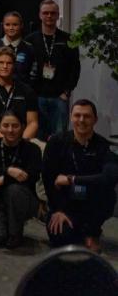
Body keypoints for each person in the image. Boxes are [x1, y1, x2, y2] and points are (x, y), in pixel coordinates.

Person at [42, 99, 118, 253]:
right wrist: (58, 210)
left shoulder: (104, 146)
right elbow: (48, 180)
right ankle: (80, 230)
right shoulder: (56, 142)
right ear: (70, 117)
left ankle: (92, 232)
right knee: (61, 239)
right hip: (63, 203)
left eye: (87, 116)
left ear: (95, 120)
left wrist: (72, 179)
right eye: (77, 115)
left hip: (91, 204)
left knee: (109, 194)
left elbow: (109, 178)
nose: (81, 120)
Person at [0, 110, 42, 248]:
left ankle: (15, 233)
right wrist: (8, 171)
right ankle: (6, 221)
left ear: (23, 126)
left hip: (23, 199)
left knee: (14, 190)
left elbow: (30, 177)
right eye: (6, 125)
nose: (10, 130)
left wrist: (2, 180)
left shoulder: (32, 149)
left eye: (15, 126)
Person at [27, 0, 81, 140]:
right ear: (40, 15)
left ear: (58, 16)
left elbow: (75, 68)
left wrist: (67, 91)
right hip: (37, 97)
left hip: (59, 97)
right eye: (45, 13)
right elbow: (24, 69)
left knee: (59, 138)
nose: (49, 16)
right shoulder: (30, 40)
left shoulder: (68, 39)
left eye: (53, 13)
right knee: (37, 138)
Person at [0, 47, 39, 140]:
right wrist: (4, 140)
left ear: (14, 65)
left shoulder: (27, 91)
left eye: (9, 63)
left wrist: (21, 142)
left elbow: (33, 123)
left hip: (22, 139)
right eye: (1, 62)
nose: (5, 66)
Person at [0, 11, 34, 84]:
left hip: (21, 91)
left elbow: (32, 74)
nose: (11, 28)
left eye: (15, 25)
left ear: (21, 25)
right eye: (7, 25)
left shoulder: (29, 48)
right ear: (3, 26)